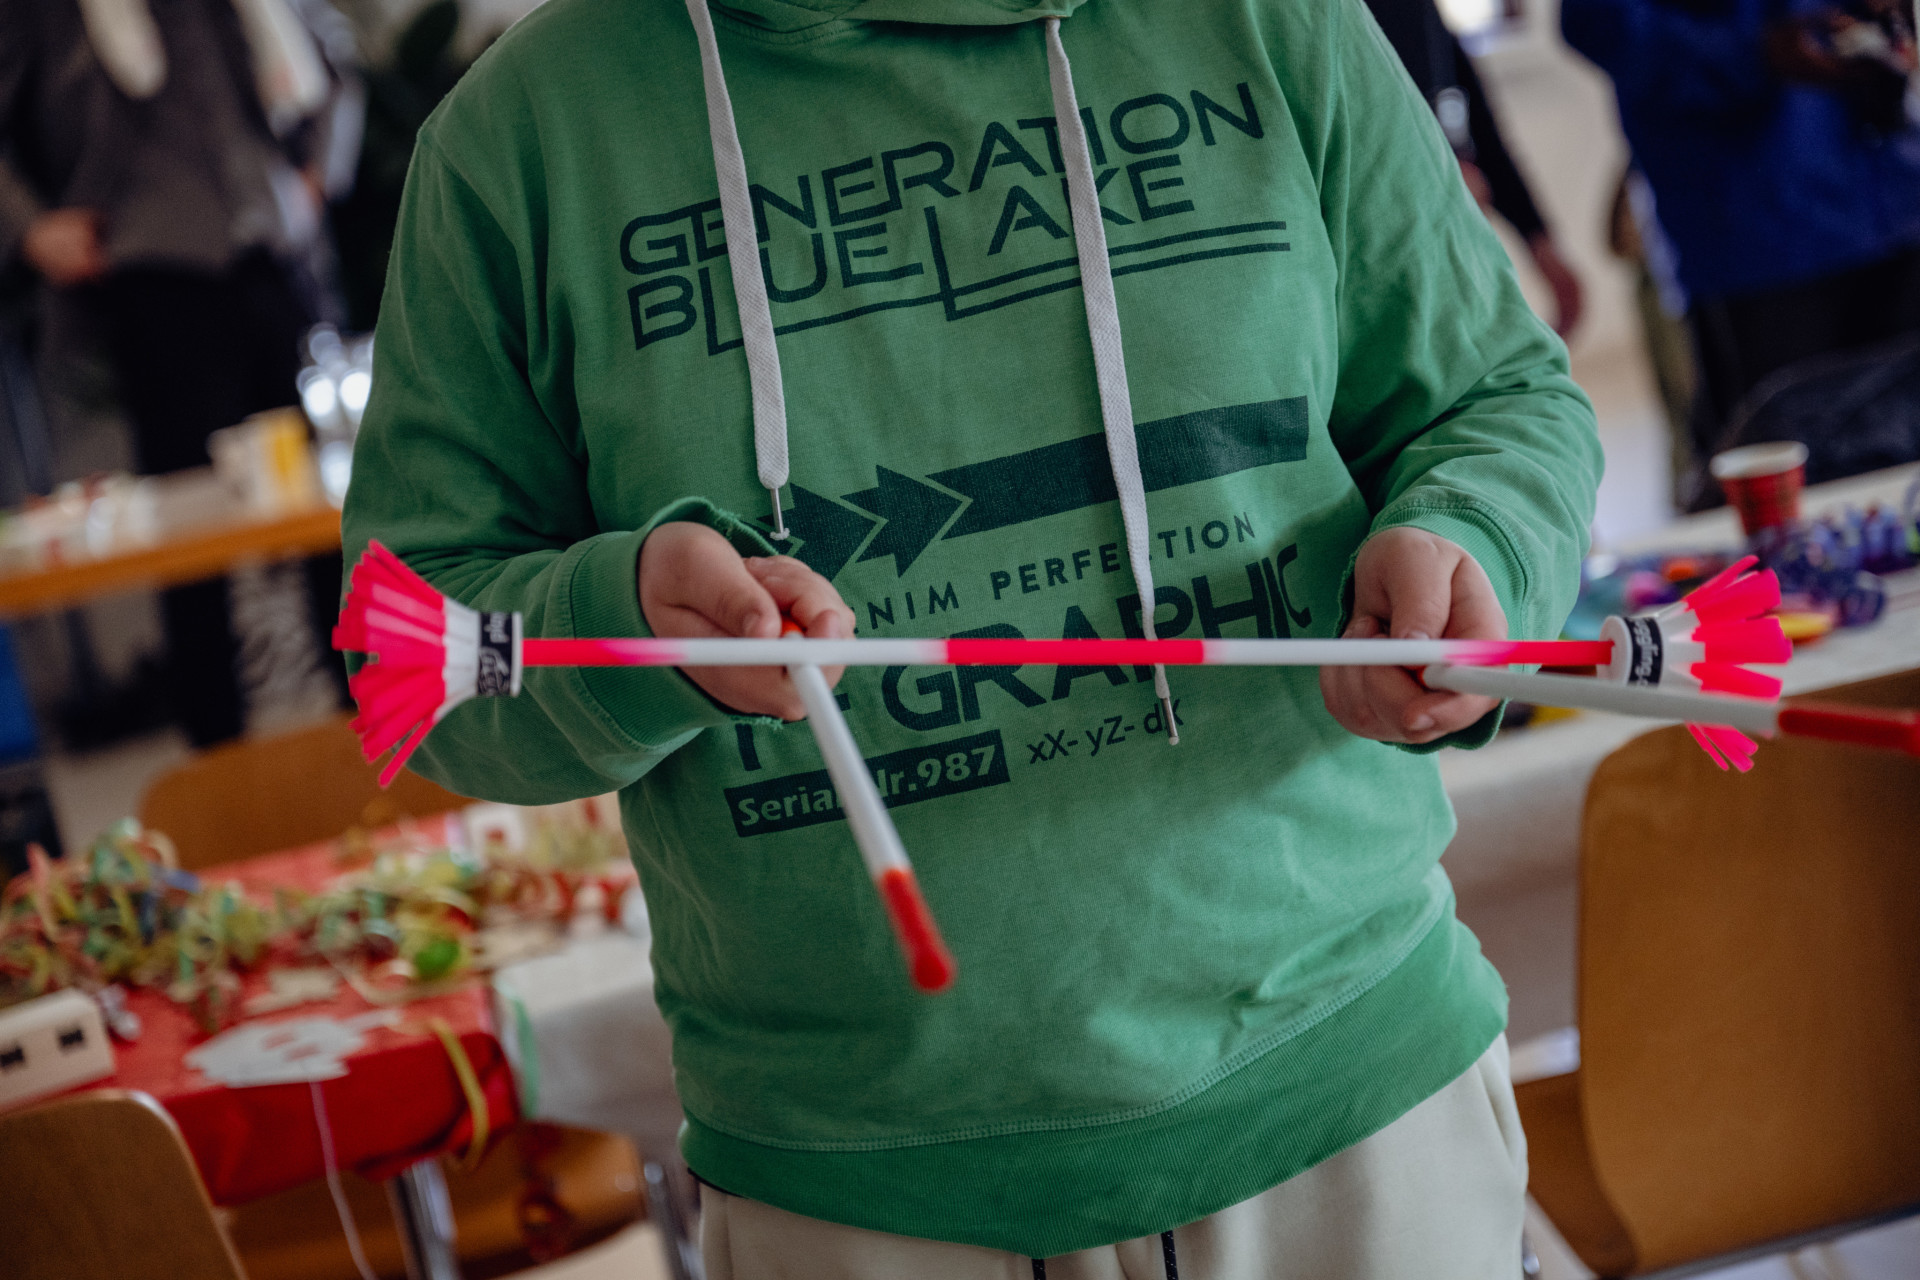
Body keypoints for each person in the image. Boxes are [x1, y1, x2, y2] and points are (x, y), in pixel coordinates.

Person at [344, 0, 1602, 1273]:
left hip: (1354, 1103)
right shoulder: (520, 138)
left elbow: (1496, 397)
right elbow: (411, 648)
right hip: (856, 1191)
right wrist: (622, 622)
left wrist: (1473, 543)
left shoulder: (1270, 19)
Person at [0, 0, 360, 746]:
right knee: (188, 540)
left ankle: (374, 735)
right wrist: (32, 229)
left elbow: (335, 58)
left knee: (334, 516)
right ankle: (219, 764)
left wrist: (320, 167)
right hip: (155, 273)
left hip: (275, 255)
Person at [1562, 0, 1920, 499]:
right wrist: (1753, 54)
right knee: (1780, 480)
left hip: (1892, 197)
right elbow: (1598, 23)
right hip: (1757, 235)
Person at [1365, 0, 1587, 337]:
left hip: (1444, 243)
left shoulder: (1424, 15)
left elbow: (1480, 130)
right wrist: (1441, 175)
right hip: (1387, 253)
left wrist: (1537, 238)